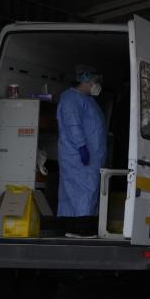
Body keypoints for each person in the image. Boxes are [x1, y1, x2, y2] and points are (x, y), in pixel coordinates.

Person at [57, 65, 107, 237]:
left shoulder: (87, 100)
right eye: (95, 82)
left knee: (82, 191)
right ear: (86, 80)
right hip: (78, 156)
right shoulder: (70, 99)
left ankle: (75, 228)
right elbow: (73, 126)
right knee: (83, 191)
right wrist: (81, 147)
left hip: (90, 157)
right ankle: (81, 228)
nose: (97, 85)